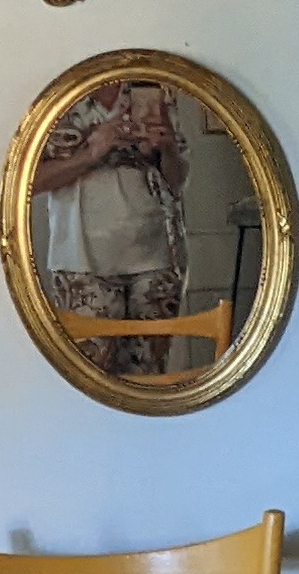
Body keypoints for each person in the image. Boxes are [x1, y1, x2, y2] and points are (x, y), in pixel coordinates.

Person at [30, 79, 188, 376]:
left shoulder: (150, 88)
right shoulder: (57, 99)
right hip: (81, 265)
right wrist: (91, 154)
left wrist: (167, 150)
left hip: (155, 259)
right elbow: (29, 181)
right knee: (88, 377)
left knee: (149, 378)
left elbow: (177, 182)